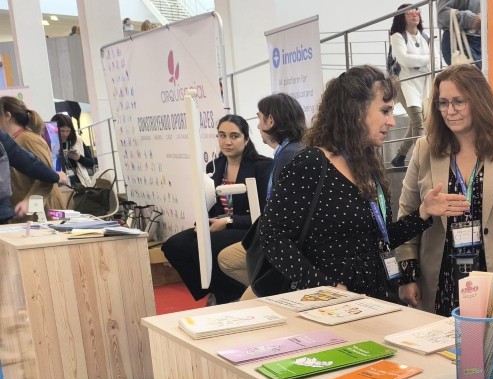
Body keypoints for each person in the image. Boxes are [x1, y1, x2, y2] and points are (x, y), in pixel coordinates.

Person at [259, 65, 469, 300]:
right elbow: (271, 236)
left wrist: (423, 213)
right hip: (329, 306)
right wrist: (323, 285)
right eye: (385, 111)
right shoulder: (312, 163)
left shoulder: (367, 165)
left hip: (372, 299)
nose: (391, 121)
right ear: (355, 111)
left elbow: (380, 238)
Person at [396, 64, 493, 337]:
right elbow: (407, 214)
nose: (449, 111)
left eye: (458, 101)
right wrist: (408, 276)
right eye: (442, 103)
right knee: (445, 356)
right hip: (442, 278)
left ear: (478, 100)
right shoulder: (425, 148)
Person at [162, 115, 271, 304]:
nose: (227, 142)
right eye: (222, 135)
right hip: (219, 223)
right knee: (173, 245)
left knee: (207, 245)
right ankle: (215, 290)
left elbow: (263, 213)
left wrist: (228, 222)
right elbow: (210, 205)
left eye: (234, 136)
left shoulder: (263, 166)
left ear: (246, 139)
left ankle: (226, 296)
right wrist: (203, 222)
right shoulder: (214, 166)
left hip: (248, 227)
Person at [218, 93, 308, 288]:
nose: (258, 126)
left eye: (259, 119)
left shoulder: (289, 156)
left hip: (286, 246)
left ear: (270, 121)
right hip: (279, 240)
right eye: (222, 135)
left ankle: (275, 292)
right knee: (226, 258)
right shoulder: (293, 151)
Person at [1, 96, 61, 220]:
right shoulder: (13, 141)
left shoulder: (28, 139)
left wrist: (30, 202)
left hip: (40, 215)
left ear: (7, 116)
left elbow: (46, 176)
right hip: (26, 215)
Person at [388, 4, 431, 168]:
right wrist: (425, 59)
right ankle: (421, 160)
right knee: (418, 121)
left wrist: (415, 59)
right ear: (402, 16)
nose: (415, 14)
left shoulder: (425, 37)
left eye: (417, 10)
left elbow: (434, 58)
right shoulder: (397, 37)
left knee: (416, 122)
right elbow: (404, 60)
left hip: (423, 83)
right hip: (405, 84)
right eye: (410, 12)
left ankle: (400, 156)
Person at [51, 113, 96, 186]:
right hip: (61, 184)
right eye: (62, 131)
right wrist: (59, 156)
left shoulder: (77, 140)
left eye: (68, 131)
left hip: (81, 183)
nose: (65, 134)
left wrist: (79, 158)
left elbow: (91, 162)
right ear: (54, 129)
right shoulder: (49, 143)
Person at [437, 0, 482, 67]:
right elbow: (442, 15)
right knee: (471, 72)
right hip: (458, 38)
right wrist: (470, 19)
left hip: (481, 41)